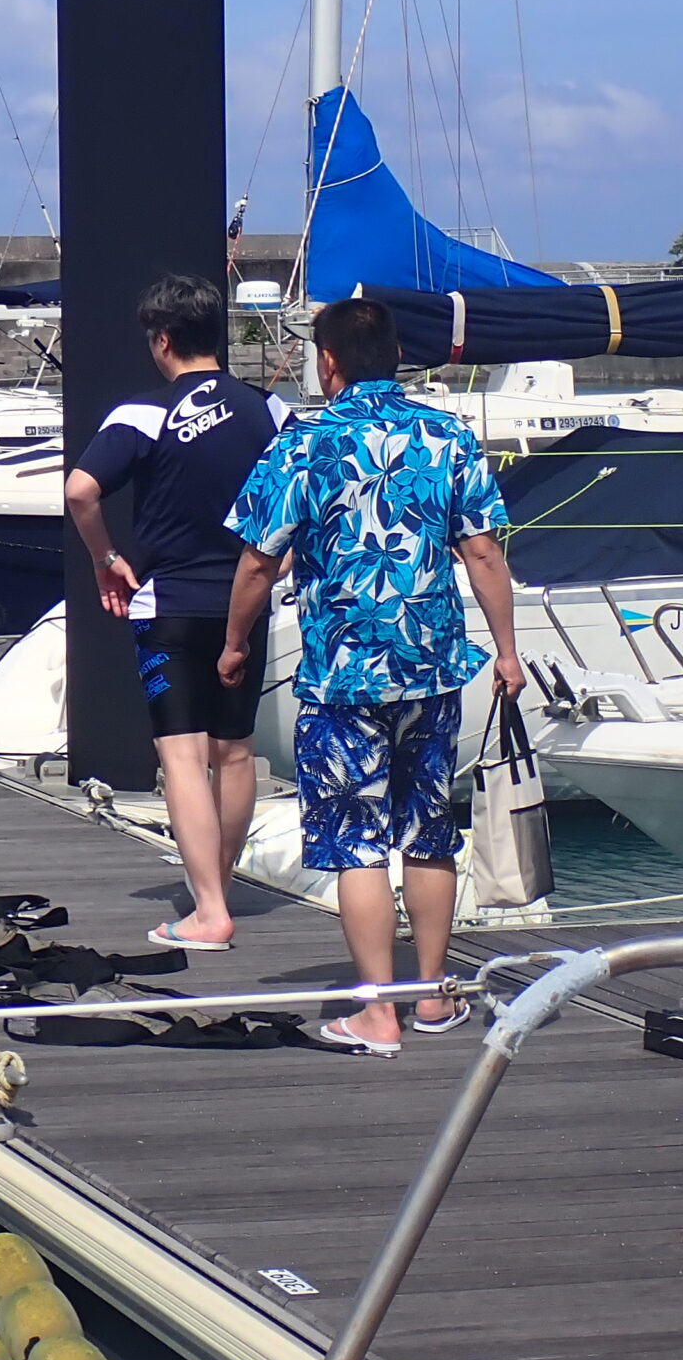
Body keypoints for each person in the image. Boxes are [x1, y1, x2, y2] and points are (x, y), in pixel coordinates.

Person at [220, 296, 523, 1052]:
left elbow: (258, 561)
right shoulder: (447, 433)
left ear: (329, 363)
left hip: (343, 672)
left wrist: (233, 641)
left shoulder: (306, 441)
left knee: (356, 842)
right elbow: (483, 551)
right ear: (394, 355)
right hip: (431, 664)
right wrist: (508, 650)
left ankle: (376, 1010)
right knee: (428, 832)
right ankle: (431, 998)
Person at [69, 273, 291, 951]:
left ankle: (211, 908)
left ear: (163, 340)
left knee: (182, 756)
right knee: (236, 751)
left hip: (168, 602)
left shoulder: (143, 414)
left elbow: (81, 490)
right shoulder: (272, 410)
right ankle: (215, 885)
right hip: (244, 604)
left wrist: (108, 559)